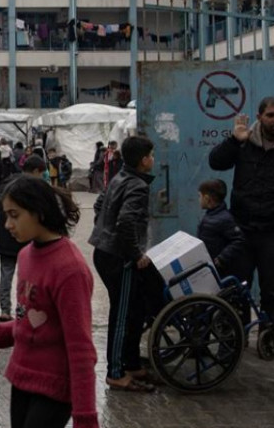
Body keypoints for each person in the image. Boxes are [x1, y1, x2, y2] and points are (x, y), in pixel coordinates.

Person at [0, 175, 98, 428]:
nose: (7, 224)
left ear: (38, 212)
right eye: (6, 216)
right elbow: (29, 319)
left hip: (54, 389)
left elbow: (81, 349)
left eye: (14, 215)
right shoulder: (27, 255)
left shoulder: (70, 269)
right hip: (22, 379)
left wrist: (85, 419)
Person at [209, 96, 274, 327]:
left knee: (271, 290)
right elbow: (216, 162)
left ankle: (268, 333)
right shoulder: (244, 143)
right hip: (241, 230)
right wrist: (234, 140)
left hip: (273, 232)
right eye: (271, 115)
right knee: (237, 287)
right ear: (260, 118)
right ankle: (235, 337)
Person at [88, 135, 157, 393]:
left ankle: (131, 363)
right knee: (122, 314)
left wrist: (105, 231)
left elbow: (98, 204)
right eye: (151, 155)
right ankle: (116, 373)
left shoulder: (119, 177)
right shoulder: (138, 185)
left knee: (135, 309)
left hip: (105, 251)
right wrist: (136, 254)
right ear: (143, 160)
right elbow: (126, 222)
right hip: (120, 258)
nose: (153, 159)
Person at [0, 155, 46, 321]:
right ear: (36, 171)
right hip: (25, 240)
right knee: (27, 276)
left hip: (5, 238)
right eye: (41, 173)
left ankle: (5, 311)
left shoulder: (6, 183)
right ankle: (22, 310)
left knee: (6, 274)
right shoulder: (32, 188)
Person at [195, 179, 246, 282]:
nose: (198, 199)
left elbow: (239, 240)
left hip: (220, 270)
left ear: (207, 199)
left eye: (199, 196)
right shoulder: (211, 215)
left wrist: (222, 258)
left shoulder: (224, 219)